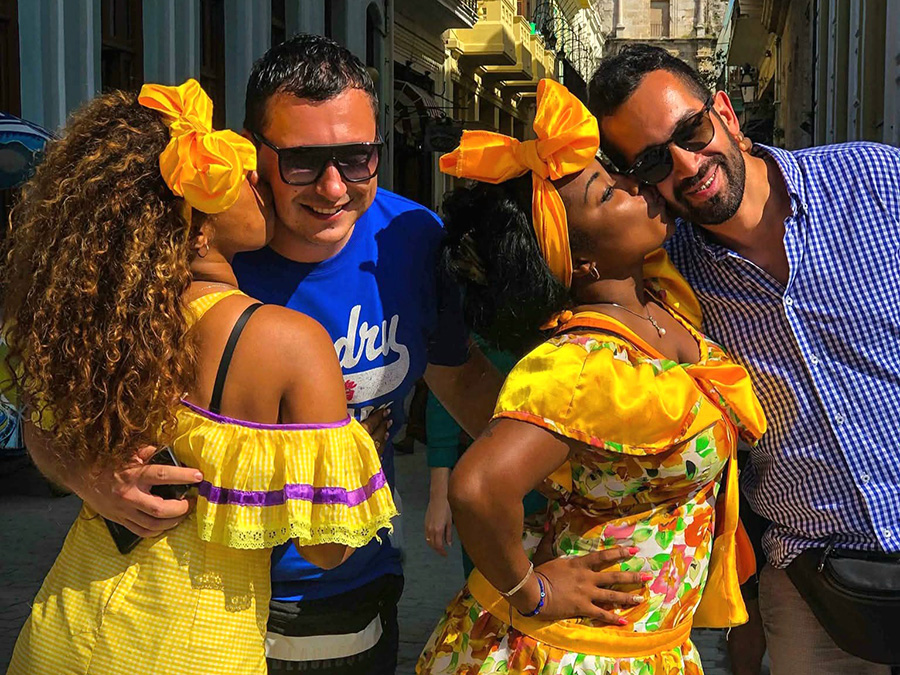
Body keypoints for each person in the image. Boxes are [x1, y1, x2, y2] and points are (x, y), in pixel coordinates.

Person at [4, 80, 396, 675]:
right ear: (195, 223)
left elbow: (37, 422)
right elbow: (326, 548)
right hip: (191, 646)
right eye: (234, 173)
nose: (256, 179)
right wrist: (356, 448)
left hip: (64, 624)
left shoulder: (99, 323)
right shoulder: (289, 342)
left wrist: (87, 475)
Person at [417, 78, 766, 675]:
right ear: (579, 261)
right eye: (609, 193)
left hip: (644, 642)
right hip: (573, 652)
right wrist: (532, 591)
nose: (636, 185)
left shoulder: (662, 298)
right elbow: (477, 488)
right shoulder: (579, 364)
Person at [588, 44, 900, 673]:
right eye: (654, 160)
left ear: (725, 114)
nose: (687, 164)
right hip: (814, 582)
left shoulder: (876, 181)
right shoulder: (669, 278)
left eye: (691, 131)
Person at [424, 336, 545, 576]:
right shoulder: (476, 333)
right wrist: (439, 493)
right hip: (489, 484)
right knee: (488, 581)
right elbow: (448, 384)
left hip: (556, 485)